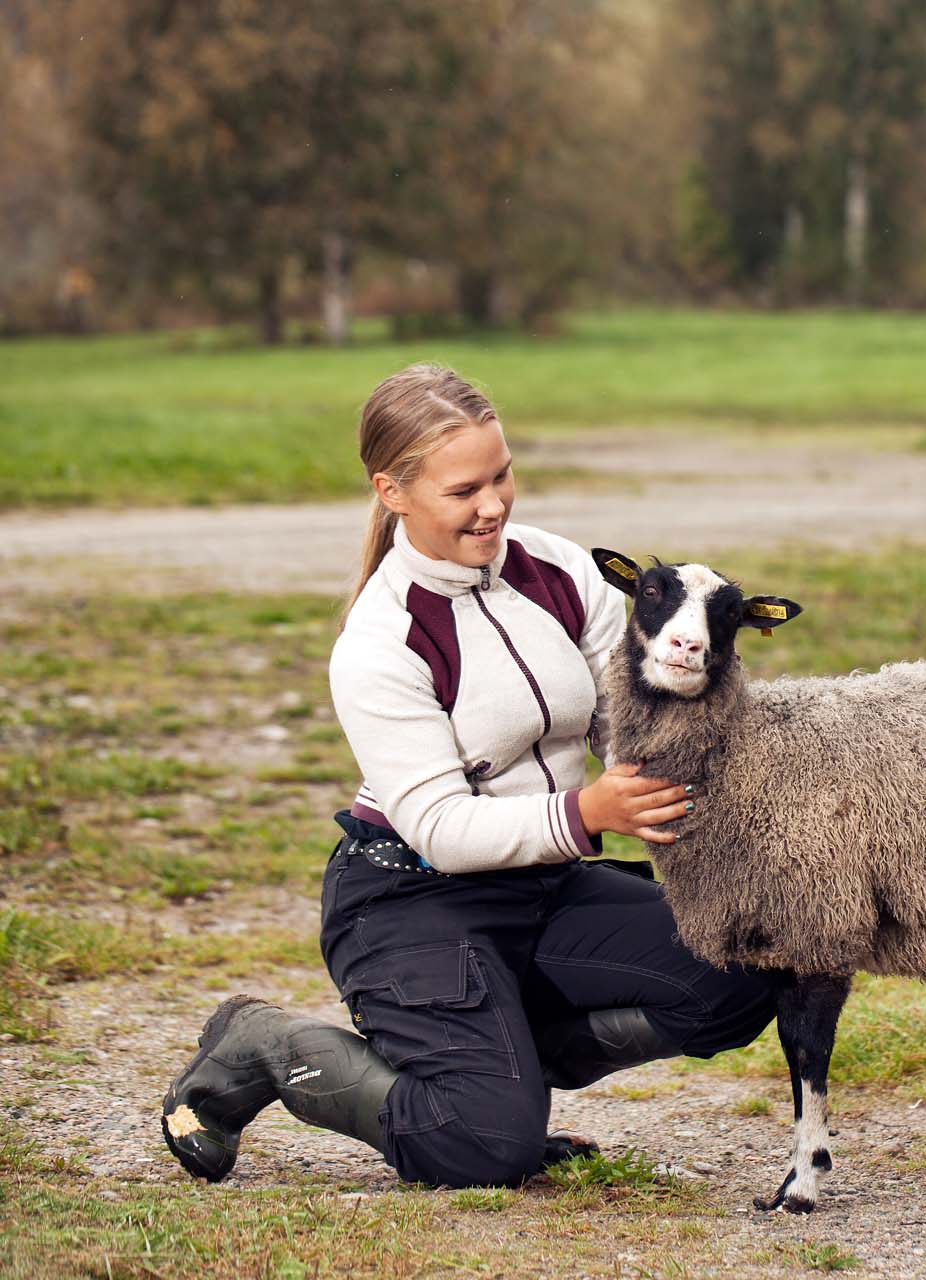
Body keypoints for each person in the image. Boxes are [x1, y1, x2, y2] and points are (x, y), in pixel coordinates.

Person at [161, 363, 777, 1188]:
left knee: (750, 958)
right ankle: (268, 1044)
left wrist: (701, 678)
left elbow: (624, 725)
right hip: (410, 901)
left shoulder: (562, 572)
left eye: (502, 475)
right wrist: (589, 810)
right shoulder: (380, 641)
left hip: (543, 886)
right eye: (463, 492)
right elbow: (442, 830)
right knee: (488, 1148)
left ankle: (490, 1074)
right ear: (393, 491)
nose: (493, 506)